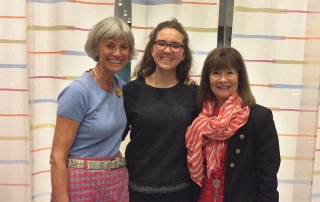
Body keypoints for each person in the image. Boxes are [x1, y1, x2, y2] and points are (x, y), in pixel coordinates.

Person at [50, 17, 137, 202]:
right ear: (96, 48)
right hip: (81, 182)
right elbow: (57, 156)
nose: (117, 53)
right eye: (110, 45)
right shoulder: (79, 91)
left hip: (116, 181)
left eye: (123, 47)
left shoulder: (121, 88)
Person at [185, 47, 281, 202]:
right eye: (216, 73)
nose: (223, 79)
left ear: (239, 77)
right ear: (208, 78)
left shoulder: (258, 118)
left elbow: (267, 176)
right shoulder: (197, 116)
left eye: (229, 72)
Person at [122, 18, 200, 202]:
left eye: (175, 45)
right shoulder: (131, 91)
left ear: (183, 54)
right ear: (152, 49)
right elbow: (113, 135)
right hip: (137, 191)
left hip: (181, 192)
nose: (167, 50)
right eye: (161, 43)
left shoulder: (194, 94)